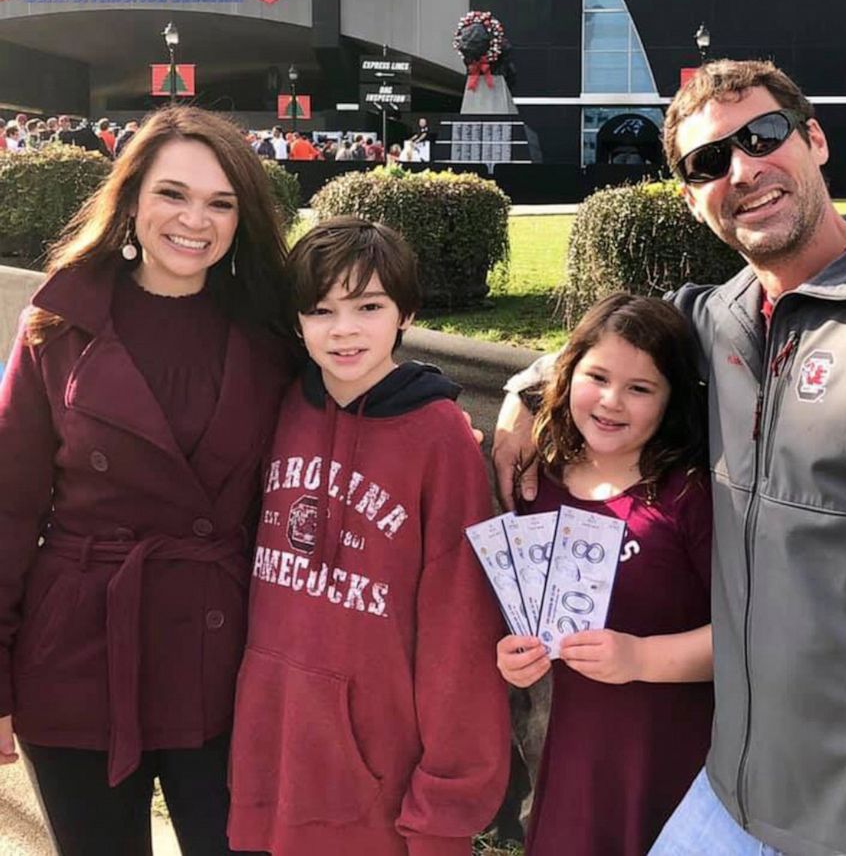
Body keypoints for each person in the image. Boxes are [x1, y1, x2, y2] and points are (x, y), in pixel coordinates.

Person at [494, 58, 846, 856]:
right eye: (708, 162)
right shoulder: (721, 320)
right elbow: (623, 343)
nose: (745, 169)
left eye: (763, 135)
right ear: (693, 199)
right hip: (729, 793)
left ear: (816, 139)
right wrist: (530, 391)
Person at [0, 104, 295, 855]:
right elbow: (7, 507)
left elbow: (367, 376)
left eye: (221, 202)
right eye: (174, 193)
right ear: (131, 198)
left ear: (241, 219)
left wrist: (508, 408)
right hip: (77, 654)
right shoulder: (60, 322)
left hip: (224, 660)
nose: (195, 219)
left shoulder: (274, 332)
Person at [226, 216, 510, 855]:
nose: (345, 329)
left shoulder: (440, 439)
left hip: (379, 780)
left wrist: (447, 804)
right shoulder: (280, 407)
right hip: (270, 753)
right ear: (296, 322)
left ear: (405, 312)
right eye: (321, 309)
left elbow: (459, 628)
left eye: (369, 306)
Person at [496, 293, 713, 856]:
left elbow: (748, 636)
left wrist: (640, 657)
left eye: (640, 389)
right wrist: (510, 659)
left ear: (671, 401)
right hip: (559, 754)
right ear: (567, 377)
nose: (612, 402)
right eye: (597, 377)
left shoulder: (689, 495)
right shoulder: (533, 482)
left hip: (665, 754)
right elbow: (506, 605)